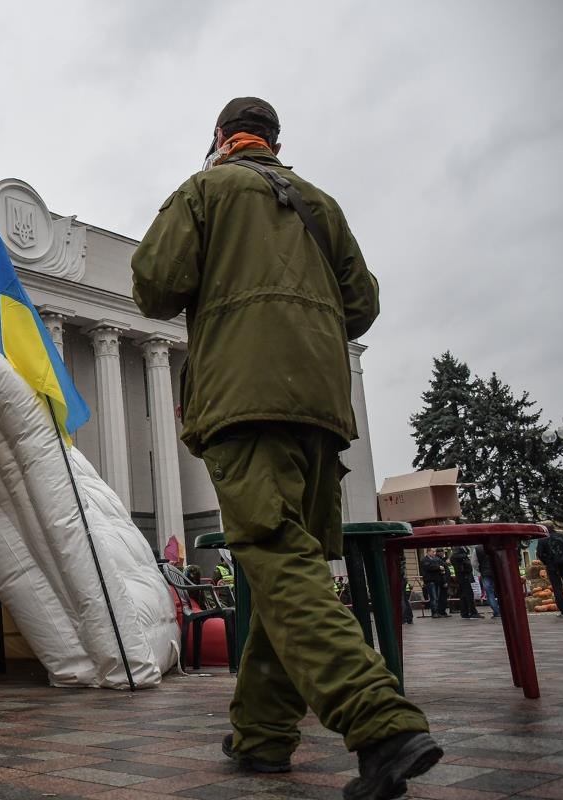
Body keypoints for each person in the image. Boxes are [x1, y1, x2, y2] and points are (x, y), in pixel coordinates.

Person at [131, 96, 438, 797]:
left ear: (221, 139)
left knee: (273, 554)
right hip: (323, 411)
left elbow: (154, 286)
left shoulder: (205, 189)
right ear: (274, 141)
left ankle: (379, 721)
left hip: (244, 399)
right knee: (286, 564)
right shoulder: (322, 205)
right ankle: (263, 736)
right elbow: (363, 303)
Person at [536, 523, 563, 617]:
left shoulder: (542, 540)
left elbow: (540, 554)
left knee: (557, 589)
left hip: (552, 567)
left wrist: (548, 562)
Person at [450, 546, 482, 619]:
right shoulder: (459, 555)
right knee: (468, 594)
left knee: (464, 595)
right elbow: (465, 565)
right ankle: (472, 612)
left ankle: (465, 612)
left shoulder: (457, 555)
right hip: (464, 576)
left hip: (463, 576)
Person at [420, 548, 450, 618]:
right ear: (428, 552)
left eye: (434, 552)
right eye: (433, 552)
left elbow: (441, 566)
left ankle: (438, 612)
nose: (434, 553)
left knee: (437, 598)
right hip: (430, 581)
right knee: (433, 597)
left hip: (437, 581)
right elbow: (429, 567)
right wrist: (439, 567)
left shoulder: (435, 559)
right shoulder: (425, 560)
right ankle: (434, 612)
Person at [474, 544, 501, 619]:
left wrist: (480, 570)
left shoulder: (477, 549)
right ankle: (501, 610)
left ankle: (497, 612)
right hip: (497, 572)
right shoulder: (496, 545)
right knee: (501, 592)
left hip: (485, 573)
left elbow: (474, 563)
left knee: (489, 593)